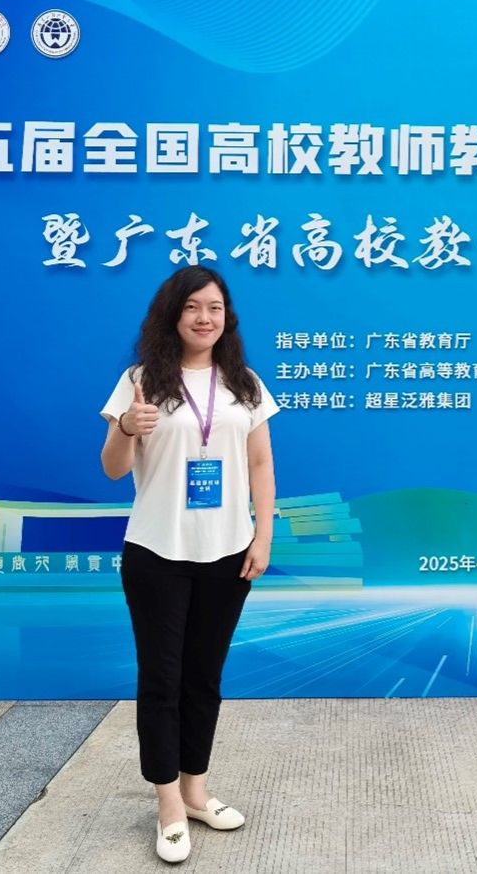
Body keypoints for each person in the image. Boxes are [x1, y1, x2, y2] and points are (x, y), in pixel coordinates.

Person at [100, 266, 279, 863]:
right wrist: (127, 428)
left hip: (227, 552)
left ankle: (197, 791)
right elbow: (113, 469)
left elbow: (260, 465)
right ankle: (168, 804)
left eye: (215, 308)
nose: (205, 318)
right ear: (172, 314)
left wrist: (263, 536)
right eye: (193, 307)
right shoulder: (141, 380)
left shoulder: (244, 384)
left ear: (227, 318)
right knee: (162, 681)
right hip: (157, 553)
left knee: (204, 678)